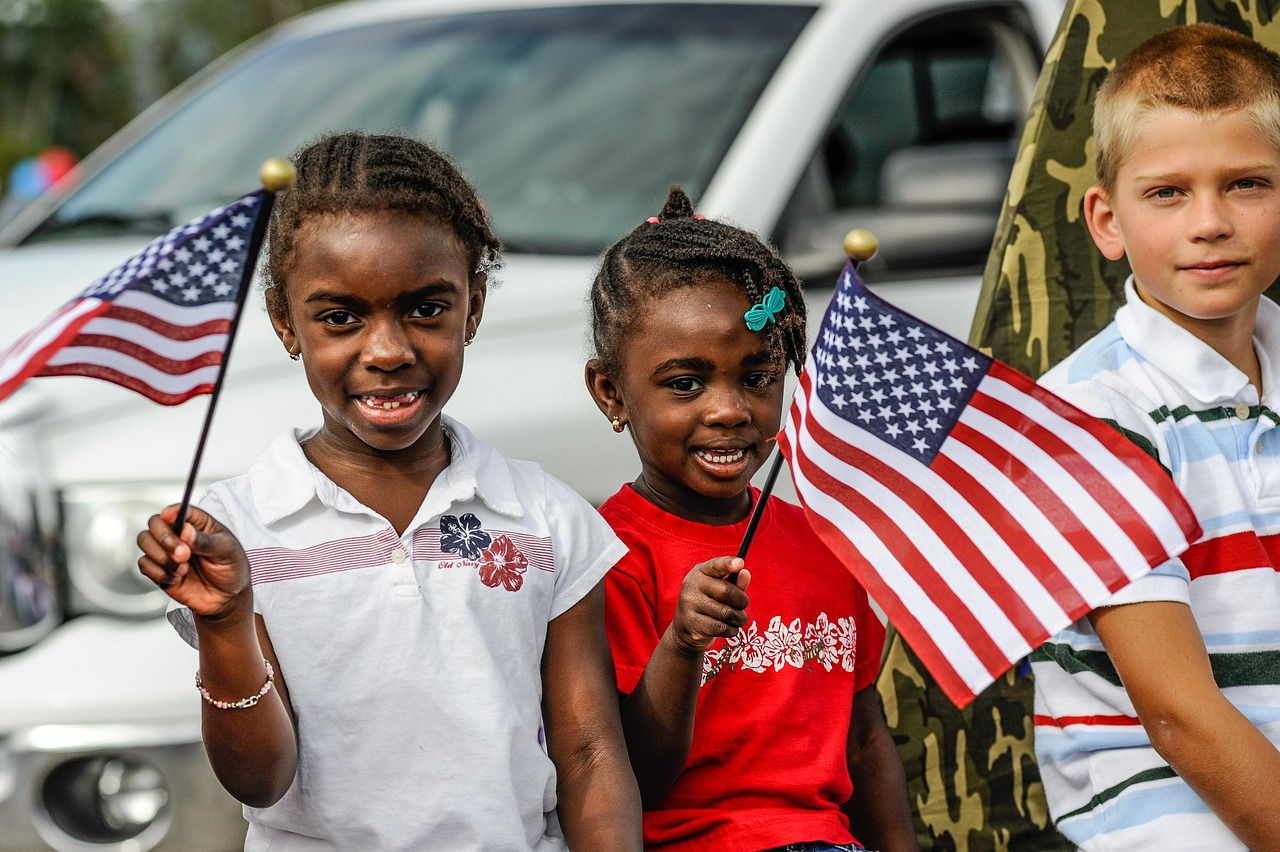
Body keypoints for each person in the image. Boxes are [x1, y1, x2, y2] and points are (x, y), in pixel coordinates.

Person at [136, 131, 642, 851]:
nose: (388, 351)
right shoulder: (240, 530)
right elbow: (259, 779)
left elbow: (589, 753)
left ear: (473, 308)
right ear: (285, 323)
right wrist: (225, 623)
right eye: (340, 318)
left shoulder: (547, 517)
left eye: (426, 310)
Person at [583, 185, 918, 852]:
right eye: (686, 384)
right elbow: (630, 774)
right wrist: (683, 642)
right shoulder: (605, 555)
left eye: (758, 377)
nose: (730, 410)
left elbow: (864, 738)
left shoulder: (822, 540)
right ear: (611, 393)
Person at [1029, 24, 1280, 851]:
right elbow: (1179, 715)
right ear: (1107, 220)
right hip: (1170, 819)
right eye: (1168, 193)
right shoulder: (1090, 417)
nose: (1210, 222)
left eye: (1247, 184)